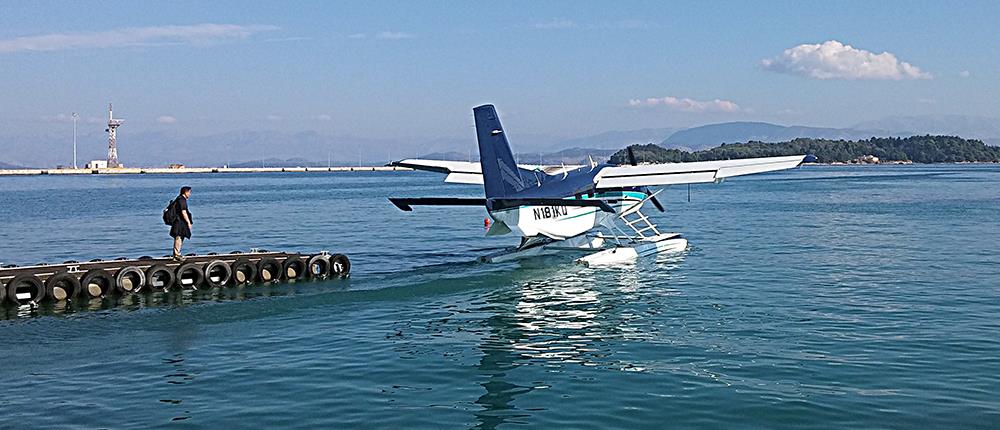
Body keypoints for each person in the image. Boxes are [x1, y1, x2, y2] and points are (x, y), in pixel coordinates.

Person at [170, 186, 193, 261]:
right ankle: (177, 255)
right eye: (189, 192)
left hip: (179, 221)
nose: (190, 194)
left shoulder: (179, 199)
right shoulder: (182, 200)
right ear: (185, 192)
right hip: (179, 222)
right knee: (179, 237)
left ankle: (177, 254)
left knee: (180, 237)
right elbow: (184, 212)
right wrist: (188, 222)